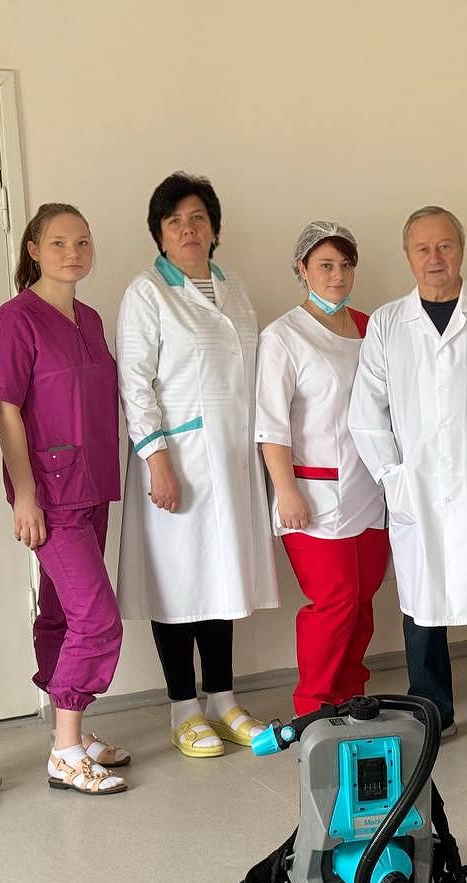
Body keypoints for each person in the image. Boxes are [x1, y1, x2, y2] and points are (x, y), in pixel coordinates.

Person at [349, 205, 467, 755]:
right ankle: (432, 711)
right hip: (418, 489)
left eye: (445, 246)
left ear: (461, 248)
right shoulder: (388, 324)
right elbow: (367, 411)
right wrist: (393, 476)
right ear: (408, 256)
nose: (435, 258)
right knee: (422, 606)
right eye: (423, 248)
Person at [117, 172, 279, 758]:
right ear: (159, 234)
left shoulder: (233, 288)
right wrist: (157, 460)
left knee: (221, 577)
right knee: (179, 582)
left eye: (198, 219)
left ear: (214, 229)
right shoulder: (146, 294)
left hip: (231, 461)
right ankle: (184, 708)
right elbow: (135, 384)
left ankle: (224, 700)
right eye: (174, 221)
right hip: (177, 459)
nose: (188, 230)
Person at [0, 203, 128, 795]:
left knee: (63, 612)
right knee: (97, 618)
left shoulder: (89, 319)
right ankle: (66, 753)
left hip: (93, 484)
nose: (73, 253)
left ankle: (70, 731)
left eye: (83, 242)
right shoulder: (14, 320)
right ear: (34, 250)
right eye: (60, 243)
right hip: (49, 491)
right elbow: (6, 410)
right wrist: (25, 494)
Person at [255, 222, 388, 716]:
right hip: (311, 492)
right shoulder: (283, 336)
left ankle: (350, 693)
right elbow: (270, 424)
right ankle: (313, 704)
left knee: (363, 599)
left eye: (345, 265)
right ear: (302, 268)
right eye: (325, 265)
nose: (337, 275)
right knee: (335, 601)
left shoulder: (371, 327)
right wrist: (286, 490)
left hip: (370, 487)